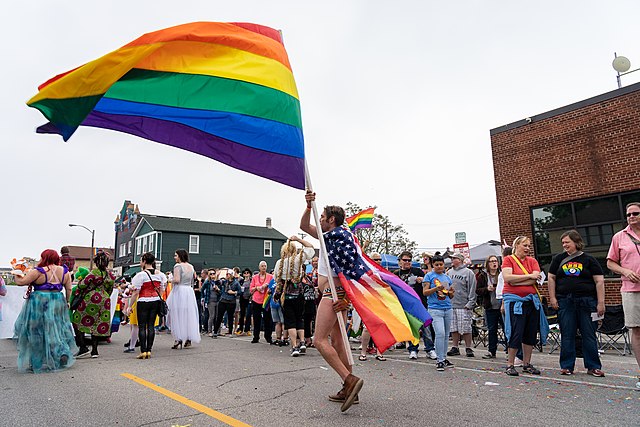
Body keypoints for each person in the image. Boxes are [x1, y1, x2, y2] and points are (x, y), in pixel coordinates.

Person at [300, 191, 363, 412]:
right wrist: (309, 206)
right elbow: (304, 226)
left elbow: (349, 269)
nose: (320, 219)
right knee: (338, 342)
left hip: (333, 293)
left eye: (322, 216)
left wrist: (345, 297)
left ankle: (349, 379)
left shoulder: (337, 238)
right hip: (337, 293)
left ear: (331, 220)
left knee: (319, 340)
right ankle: (348, 390)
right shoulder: (334, 238)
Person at [548, 230, 605, 377]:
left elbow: (599, 281)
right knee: (567, 334)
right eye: (563, 243)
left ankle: (593, 366)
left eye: (567, 242)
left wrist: (601, 303)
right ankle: (567, 366)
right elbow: (551, 278)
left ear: (576, 242)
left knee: (589, 334)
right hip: (565, 301)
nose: (564, 245)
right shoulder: (558, 259)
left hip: (587, 301)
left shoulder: (589, 260)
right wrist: (553, 298)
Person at [13, 249, 77, 373]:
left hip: (39, 302)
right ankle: (61, 352)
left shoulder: (37, 271)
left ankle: (36, 362)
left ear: (44, 258)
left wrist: (17, 272)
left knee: (36, 331)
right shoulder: (64, 271)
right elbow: (69, 289)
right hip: (58, 301)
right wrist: (68, 302)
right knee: (58, 329)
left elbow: (20, 282)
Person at [502, 236, 549, 376]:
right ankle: (510, 364)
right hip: (515, 301)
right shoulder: (508, 260)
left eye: (529, 246)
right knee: (516, 332)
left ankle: (526, 363)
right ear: (517, 245)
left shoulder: (533, 261)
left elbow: (536, 277)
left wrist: (518, 280)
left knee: (530, 333)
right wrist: (529, 277)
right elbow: (508, 278)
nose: (528, 248)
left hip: (531, 301)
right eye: (525, 245)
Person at [606, 202, 640, 391]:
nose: (631, 217)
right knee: (637, 330)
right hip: (631, 289)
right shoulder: (620, 237)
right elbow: (610, 263)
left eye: (635, 213)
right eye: (628, 214)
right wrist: (626, 271)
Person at [274, 236, 316, 356]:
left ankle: (294, 346)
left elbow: (276, 278)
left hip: (286, 296)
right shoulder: (298, 259)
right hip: (299, 295)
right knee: (299, 319)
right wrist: (298, 239)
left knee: (290, 322)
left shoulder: (279, 263)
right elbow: (310, 248)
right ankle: (302, 342)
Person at [71, 251, 115, 358]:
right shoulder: (110, 276)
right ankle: (94, 351)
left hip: (90, 299)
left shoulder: (93, 273)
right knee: (96, 324)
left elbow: (82, 285)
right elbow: (110, 290)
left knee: (77, 320)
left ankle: (83, 347)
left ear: (96, 262)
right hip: (105, 300)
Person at [393, 251, 436, 360]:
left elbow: (429, 280)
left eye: (409, 260)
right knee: (412, 329)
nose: (407, 262)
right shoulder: (396, 274)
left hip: (420, 303)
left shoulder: (417, 271)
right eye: (405, 260)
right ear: (400, 261)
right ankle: (413, 349)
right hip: (405, 306)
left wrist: (422, 280)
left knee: (426, 327)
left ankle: (430, 349)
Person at [127, 252, 167, 359]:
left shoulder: (140, 275)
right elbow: (162, 289)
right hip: (155, 301)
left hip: (143, 301)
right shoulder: (160, 275)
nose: (140, 263)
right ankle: (149, 350)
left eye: (141, 260)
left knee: (142, 326)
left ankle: (143, 351)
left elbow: (135, 292)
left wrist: (130, 306)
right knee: (151, 326)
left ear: (144, 261)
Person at [423, 254, 455, 371]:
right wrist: (436, 289)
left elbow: (450, 295)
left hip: (447, 307)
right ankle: (439, 360)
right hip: (435, 308)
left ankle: (444, 357)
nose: (439, 267)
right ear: (433, 265)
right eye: (436, 265)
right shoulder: (429, 276)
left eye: (441, 264)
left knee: (446, 334)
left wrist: (451, 292)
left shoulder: (447, 277)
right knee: (440, 333)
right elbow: (425, 292)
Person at [167, 250, 201, 348]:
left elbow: (177, 280)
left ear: (180, 256)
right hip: (188, 291)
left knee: (177, 314)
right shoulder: (191, 266)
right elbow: (192, 279)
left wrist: (169, 280)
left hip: (180, 291)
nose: (174, 257)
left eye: (176, 255)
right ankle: (189, 337)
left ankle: (178, 338)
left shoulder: (177, 266)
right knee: (188, 314)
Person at [446, 252, 477, 358]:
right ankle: (455, 347)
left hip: (464, 304)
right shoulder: (449, 272)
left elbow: (472, 288)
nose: (451, 260)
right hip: (452, 304)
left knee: (466, 328)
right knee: (453, 327)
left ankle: (468, 347)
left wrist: (470, 302)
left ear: (459, 260)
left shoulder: (468, 273)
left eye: (453, 258)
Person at [476, 255, 504, 359]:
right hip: (490, 306)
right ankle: (492, 351)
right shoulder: (483, 276)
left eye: (495, 261)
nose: (494, 263)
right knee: (492, 329)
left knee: (506, 329)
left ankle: (509, 351)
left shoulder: (502, 274)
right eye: (491, 261)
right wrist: (487, 289)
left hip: (502, 306)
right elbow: (478, 290)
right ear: (487, 264)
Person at [359, 253, 386, 361]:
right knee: (367, 328)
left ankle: (379, 352)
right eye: (376, 259)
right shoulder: (365, 270)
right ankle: (363, 352)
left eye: (380, 259)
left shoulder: (383, 271)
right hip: (368, 301)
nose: (378, 261)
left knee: (382, 327)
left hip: (381, 301)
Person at [250, 261, 273, 344]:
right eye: (262, 266)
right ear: (259, 267)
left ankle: (268, 337)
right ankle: (256, 336)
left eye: (265, 266)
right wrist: (257, 288)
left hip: (266, 300)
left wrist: (266, 285)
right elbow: (251, 289)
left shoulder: (270, 277)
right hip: (256, 300)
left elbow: (273, 286)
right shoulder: (255, 277)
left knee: (267, 319)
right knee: (256, 319)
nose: (264, 267)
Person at [214, 269, 241, 337]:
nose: (226, 275)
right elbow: (217, 282)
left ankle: (230, 332)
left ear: (231, 275)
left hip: (231, 301)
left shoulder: (236, 283)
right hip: (223, 300)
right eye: (226, 274)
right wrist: (217, 276)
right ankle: (215, 331)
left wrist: (234, 292)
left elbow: (240, 292)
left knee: (230, 317)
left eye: (228, 274)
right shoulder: (225, 281)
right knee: (219, 316)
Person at [303, 257, 319, 347]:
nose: (315, 263)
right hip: (308, 300)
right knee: (308, 320)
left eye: (316, 261)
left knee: (316, 319)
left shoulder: (320, 271)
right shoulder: (309, 272)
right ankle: (308, 338)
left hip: (318, 297)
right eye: (313, 261)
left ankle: (315, 338)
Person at [201, 269, 220, 337]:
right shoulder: (207, 282)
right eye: (211, 274)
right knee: (212, 316)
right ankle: (209, 331)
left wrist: (218, 289)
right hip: (210, 300)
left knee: (217, 316)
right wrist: (203, 298)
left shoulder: (218, 282)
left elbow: (221, 291)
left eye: (213, 274)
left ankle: (217, 330)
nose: (212, 275)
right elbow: (202, 289)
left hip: (217, 300)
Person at [238, 268, 253, 335]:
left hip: (249, 299)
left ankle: (247, 329)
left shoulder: (251, 280)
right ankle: (241, 328)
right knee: (242, 314)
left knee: (248, 314)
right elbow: (238, 288)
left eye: (247, 273)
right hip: (242, 298)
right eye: (245, 273)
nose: (246, 274)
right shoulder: (241, 281)